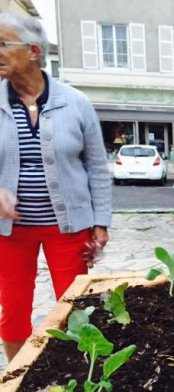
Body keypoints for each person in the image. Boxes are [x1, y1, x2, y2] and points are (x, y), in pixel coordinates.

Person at [0, 13, 111, 362]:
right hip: (11, 232)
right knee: (13, 310)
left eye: (3, 44)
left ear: (33, 50)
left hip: (68, 229)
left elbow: (96, 166)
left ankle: (73, 373)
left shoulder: (76, 102)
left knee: (76, 308)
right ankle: (16, 379)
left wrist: (101, 222)